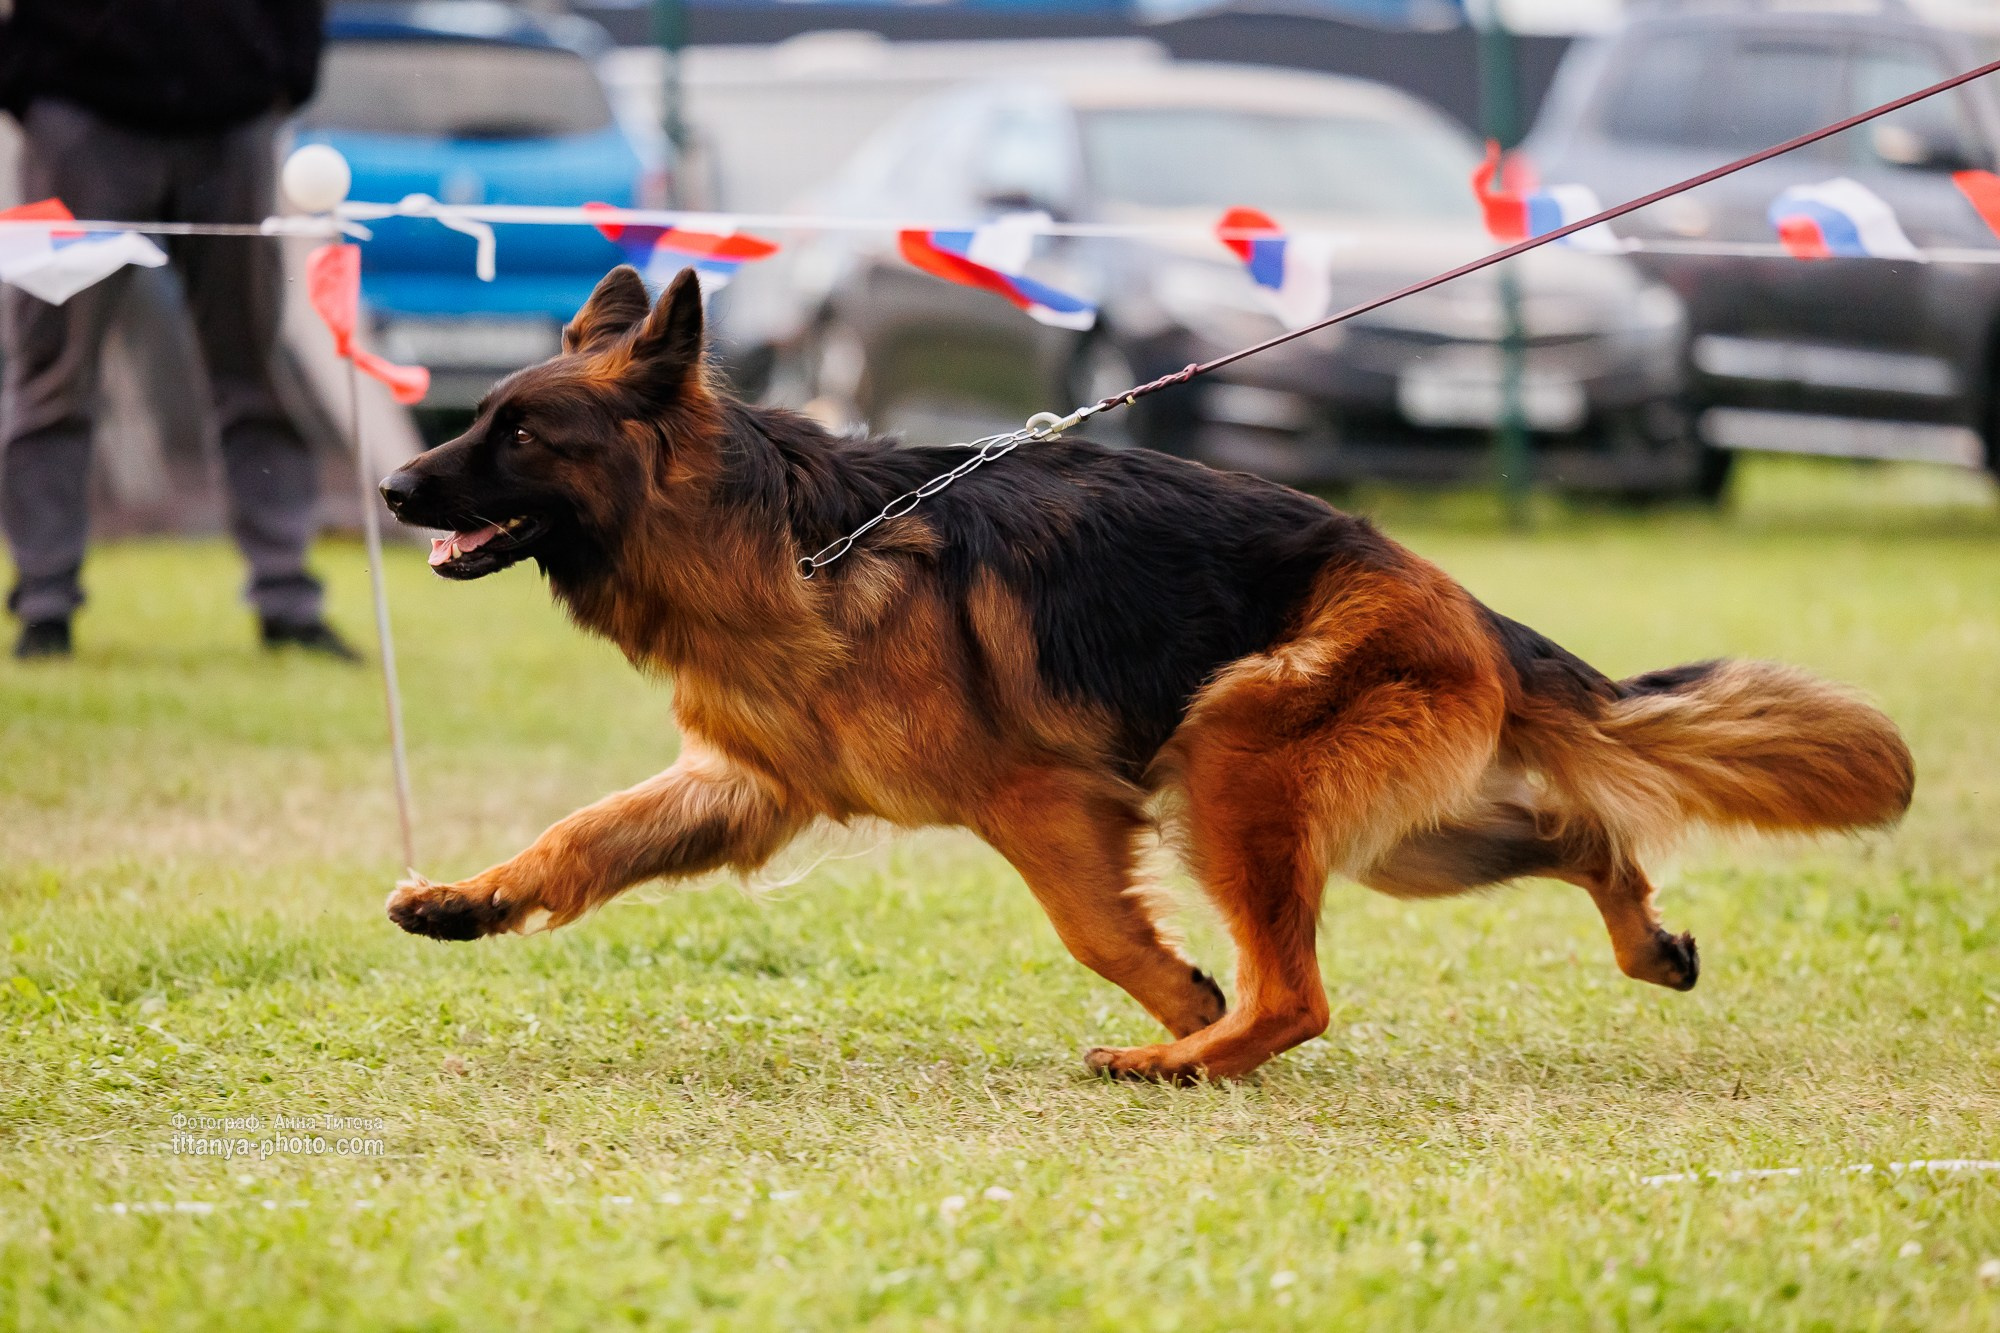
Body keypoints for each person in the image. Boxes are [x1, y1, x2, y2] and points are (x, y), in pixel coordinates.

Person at [0, 0, 356, 660]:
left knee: (255, 368)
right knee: (54, 369)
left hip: (235, 114)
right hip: (78, 111)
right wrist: (28, 84)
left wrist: (282, 76)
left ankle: (288, 600)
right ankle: (44, 604)